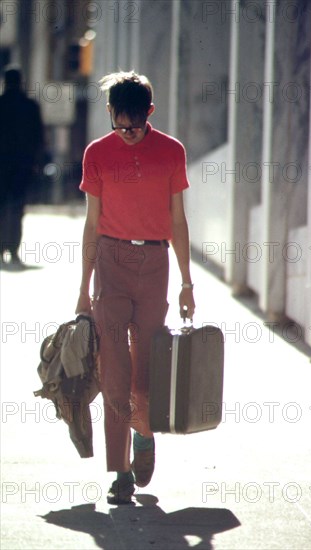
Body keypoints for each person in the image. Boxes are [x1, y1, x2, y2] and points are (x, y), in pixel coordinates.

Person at [75, 70, 195, 505]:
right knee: (114, 372)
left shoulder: (170, 152)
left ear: (150, 113)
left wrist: (186, 282)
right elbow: (91, 224)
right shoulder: (97, 154)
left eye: (136, 126)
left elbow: (179, 220)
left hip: (154, 262)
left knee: (144, 369)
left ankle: (143, 434)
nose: (127, 134)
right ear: (110, 113)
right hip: (110, 260)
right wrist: (83, 288)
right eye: (119, 125)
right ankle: (120, 471)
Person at [0, 66, 44, 265]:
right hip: (22, 166)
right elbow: (39, 138)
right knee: (17, 209)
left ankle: (1, 250)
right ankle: (13, 250)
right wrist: (36, 163)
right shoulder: (30, 106)